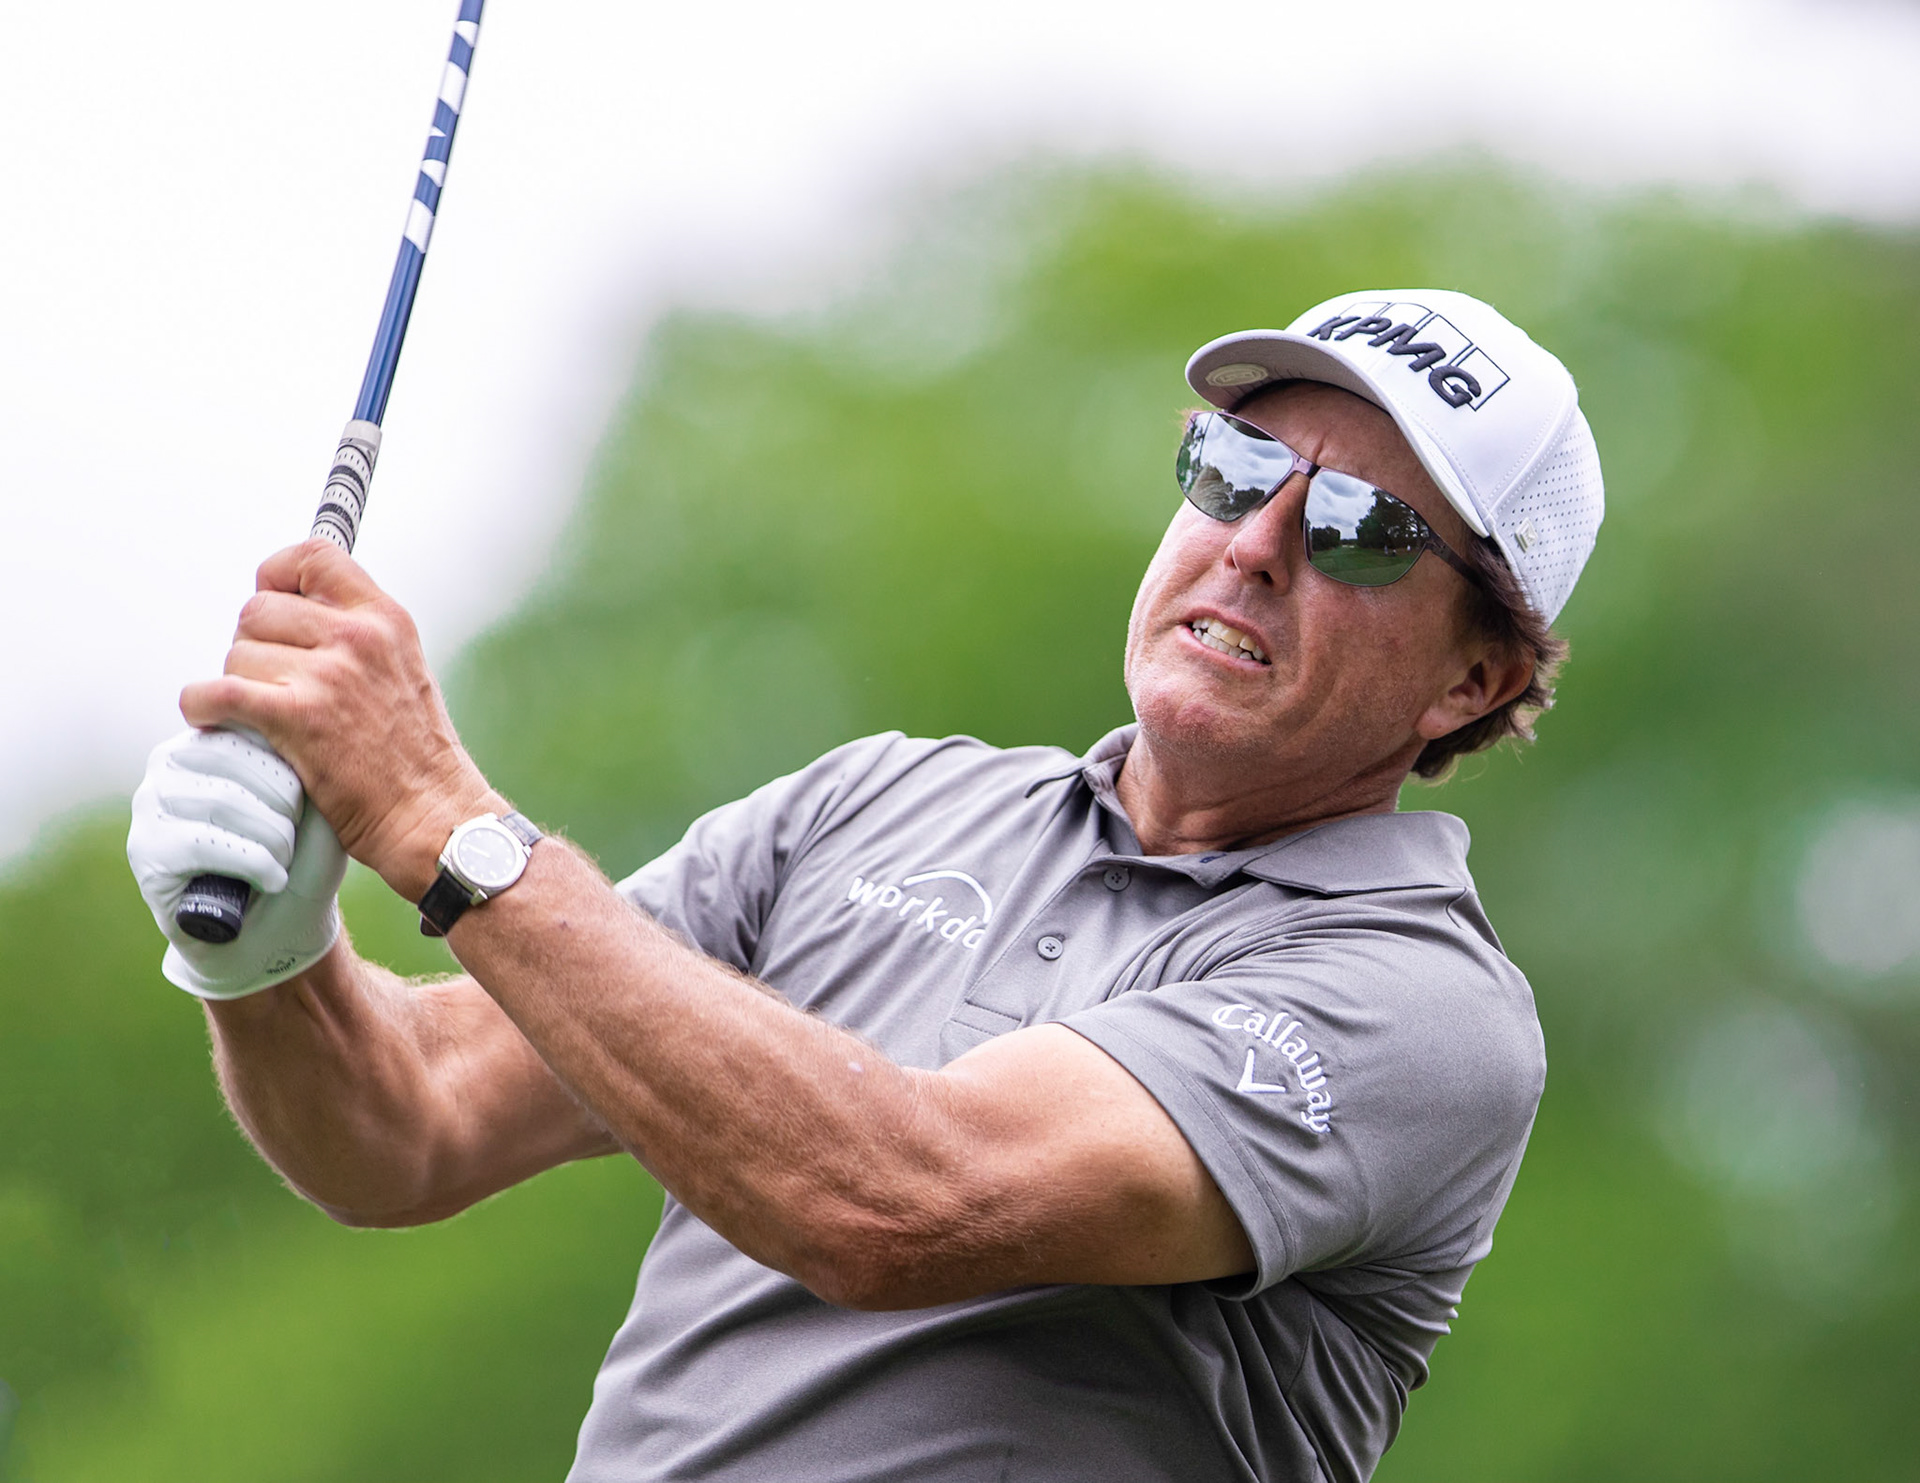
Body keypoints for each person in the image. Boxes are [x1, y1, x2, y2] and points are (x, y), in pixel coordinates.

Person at [126, 288, 1603, 1483]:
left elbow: (901, 1202)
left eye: (1357, 531)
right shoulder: (883, 798)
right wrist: (269, 955)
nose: (1256, 545)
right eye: (1234, 472)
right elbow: (411, 1127)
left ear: (1473, 676)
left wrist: (443, 817)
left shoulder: (1422, 1005)